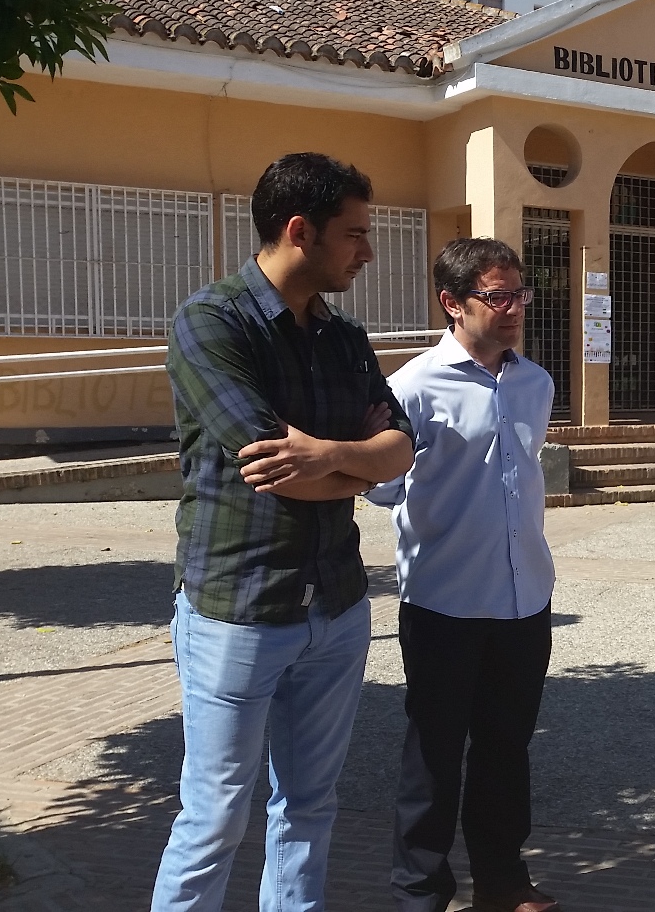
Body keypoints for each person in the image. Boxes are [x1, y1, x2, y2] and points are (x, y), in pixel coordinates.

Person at [153, 152, 416, 911]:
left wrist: (333, 453)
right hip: (239, 607)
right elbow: (273, 469)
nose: (367, 251)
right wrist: (359, 462)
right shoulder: (211, 322)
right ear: (300, 231)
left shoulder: (345, 337)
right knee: (215, 818)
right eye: (355, 234)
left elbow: (400, 449)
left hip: (334, 606)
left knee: (307, 808)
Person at [368, 238, 561, 912]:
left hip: (524, 600)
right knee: (434, 756)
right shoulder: (412, 387)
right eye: (497, 296)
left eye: (519, 295)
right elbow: (383, 492)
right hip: (444, 603)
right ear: (452, 303)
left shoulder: (536, 383)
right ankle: (420, 892)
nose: (513, 309)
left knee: (506, 750)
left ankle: (503, 883)